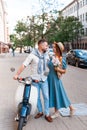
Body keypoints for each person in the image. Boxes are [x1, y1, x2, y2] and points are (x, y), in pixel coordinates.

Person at [13, 39, 53, 122]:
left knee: (46, 97)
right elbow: (24, 65)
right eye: (46, 45)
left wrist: (46, 74)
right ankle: (40, 111)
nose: (47, 47)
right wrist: (17, 74)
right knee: (37, 97)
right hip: (34, 80)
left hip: (44, 80)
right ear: (40, 45)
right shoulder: (32, 55)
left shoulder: (47, 55)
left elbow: (49, 66)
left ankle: (47, 114)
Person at [47, 42, 75, 119]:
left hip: (55, 79)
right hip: (50, 78)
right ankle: (71, 109)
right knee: (58, 94)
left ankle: (57, 112)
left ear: (59, 49)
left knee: (58, 94)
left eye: (55, 47)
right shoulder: (52, 56)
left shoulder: (61, 58)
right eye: (53, 47)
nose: (53, 48)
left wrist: (58, 69)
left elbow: (64, 71)